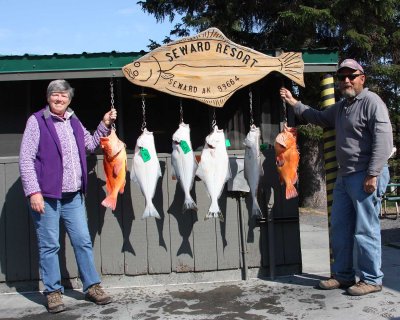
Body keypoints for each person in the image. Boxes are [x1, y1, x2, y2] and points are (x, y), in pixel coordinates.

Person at [280, 59, 393, 296]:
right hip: (345, 176)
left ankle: (372, 278)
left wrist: (373, 174)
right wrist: (294, 103)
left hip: (366, 176)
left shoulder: (372, 102)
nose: (346, 81)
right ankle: (342, 275)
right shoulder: (342, 107)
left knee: (366, 229)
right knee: (340, 227)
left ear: (362, 77)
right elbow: (318, 116)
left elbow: (384, 140)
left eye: (351, 76)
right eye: (342, 77)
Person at [19, 80, 115, 313]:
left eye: (63, 96)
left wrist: (103, 124)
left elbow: (91, 145)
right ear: (48, 97)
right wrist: (34, 192)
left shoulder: (74, 120)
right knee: (49, 245)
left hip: (73, 197)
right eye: (54, 95)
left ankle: (92, 286)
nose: (59, 99)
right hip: (47, 197)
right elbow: (26, 159)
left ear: (69, 100)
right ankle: (53, 292)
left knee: (82, 241)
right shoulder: (37, 121)